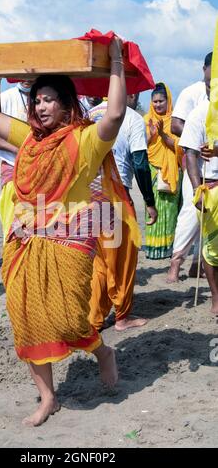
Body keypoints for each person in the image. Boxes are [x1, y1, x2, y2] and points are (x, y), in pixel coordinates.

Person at [0, 37, 130, 426]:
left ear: (67, 106)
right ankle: (48, 397)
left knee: (69, 321)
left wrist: (115, 62)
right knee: (25, 317)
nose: (41, 107)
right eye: (37, 100)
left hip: (70, 242)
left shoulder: (84, 141)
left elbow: (114, 114)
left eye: (49, 100)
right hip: (25, 242)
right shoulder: (29, 140)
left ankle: (102, 351)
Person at [88, 93, 157, 331]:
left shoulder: (91, 114)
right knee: (124, 259)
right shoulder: (132, 118)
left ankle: (94, 318)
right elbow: (140, 162)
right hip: (116, 197)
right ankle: (121, 317)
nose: (137, 95)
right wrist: (149, 201)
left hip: (90, 196)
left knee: (100, 260)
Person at [167, 52, 212, 282]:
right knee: (192, 213)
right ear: (203, 69)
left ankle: (199, 266)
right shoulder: (192, 94)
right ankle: (175, 264)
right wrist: (197, 137)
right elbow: (175, 125)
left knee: (212, 222)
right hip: (195, 162)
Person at [181, 72, 218, 315]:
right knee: (211, 248)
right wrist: (198, 190)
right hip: (210, 187)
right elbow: (190, 154)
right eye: (209, 84)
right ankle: (216, 298)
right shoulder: (199, 114)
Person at [0, 81, 31, 242]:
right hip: (12, 165)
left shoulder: (44, 96)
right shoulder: (5, 97)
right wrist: (15, 150)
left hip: (40, 167)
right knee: (13, 220)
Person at [144, 82, 183, 259]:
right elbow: (140, 145)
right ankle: (153, 248)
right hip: (153, 169)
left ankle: (167, 248)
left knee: (169, 209)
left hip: (171, 169)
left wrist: (162, 135)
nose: (158, 105)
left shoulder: (175, 121)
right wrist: (152, 135)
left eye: (161, 101)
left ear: (168, 101)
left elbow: (178, 147)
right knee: (153, 206)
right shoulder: (146, 119)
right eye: (155, 102)